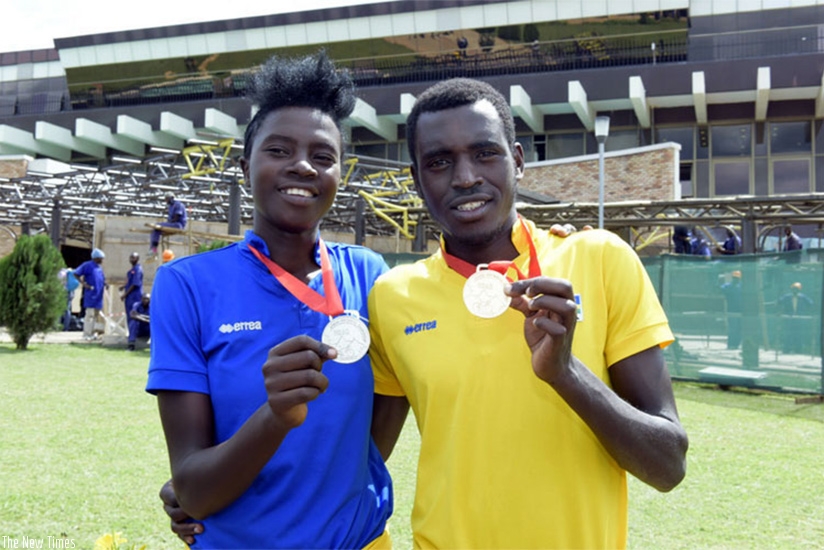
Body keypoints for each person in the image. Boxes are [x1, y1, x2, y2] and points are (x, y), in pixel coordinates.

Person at [366, 78, 688, 548]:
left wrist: (565, 373)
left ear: (517, 160)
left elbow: (667, 467)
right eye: (439, 162)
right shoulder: (392, 296)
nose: (465, 177)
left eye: (484, 153)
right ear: (417, 180)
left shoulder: (599, 259)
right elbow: (362, 465)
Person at [147, 51, 396, 549]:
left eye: (323, 157)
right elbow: (193, 488)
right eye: (279, 150)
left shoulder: (369, 276)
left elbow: (380, 422)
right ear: (245, 167)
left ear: (338, 177)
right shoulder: (188, 285)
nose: (303, 166)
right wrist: (274, 418)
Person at [74, 248, 107, 341]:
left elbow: (102, 279)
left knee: (96, 316)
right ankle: (86, 334)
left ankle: (92, 333)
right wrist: (84, 284)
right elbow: (76, 273)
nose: (102, 260)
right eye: (101, 258)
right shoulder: (87, 265)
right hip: (91, 295)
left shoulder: (99, 268)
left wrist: (105, 283)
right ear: (96, 258)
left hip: (98, 296)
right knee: (90, 315)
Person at [778, 282, 814, 354]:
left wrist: (806, 311)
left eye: (796, 289)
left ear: (799, 290)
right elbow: (779, 301)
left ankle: (798, 350)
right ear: (791, 290)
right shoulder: (787, 297)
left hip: (799, 319)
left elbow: (811, 303)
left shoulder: (803, 297)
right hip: (789, 318)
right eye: (794, 289)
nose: (795, 291)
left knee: (799, 334)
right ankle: (786, 349)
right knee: (788, 334)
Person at [720, 270, 742, 349]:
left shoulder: (741, 286)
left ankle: (736, 344)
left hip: (741, 311)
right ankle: (731, 344)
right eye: (735, 278)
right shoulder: (728, 286)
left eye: (737, 278)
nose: (736, 279)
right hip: (732, 310)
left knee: (739, 328)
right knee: (733, 328)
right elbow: (721, 289)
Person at [118, 252, 143, 324]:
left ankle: (134, 333)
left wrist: (125, 294)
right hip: (130, 297)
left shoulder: (138, 269)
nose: (131, 259)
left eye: (133, 257)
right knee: (129, 314)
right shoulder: (133, 270)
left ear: (137, 259)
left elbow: (135, 284)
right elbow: (130, 282)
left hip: (135, 296)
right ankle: (130, 333)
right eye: (131, 257)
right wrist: (123, 286)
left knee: (133, 314)